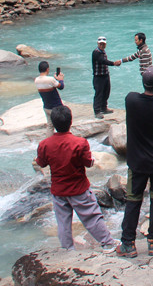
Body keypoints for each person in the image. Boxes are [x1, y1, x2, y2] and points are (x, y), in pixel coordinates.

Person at [35, 105, 117, 252]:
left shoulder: (45, 144)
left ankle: (67, 249)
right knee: (91, 217)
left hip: (58, 190)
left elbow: (41, 162)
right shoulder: (80, 143)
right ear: (71, 122)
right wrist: (92, 162)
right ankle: (107, 243)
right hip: (79, 188)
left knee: (63, 222)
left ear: (53, 124)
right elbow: (87, 163)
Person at [117, 63, 153, 258]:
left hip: (137, 162)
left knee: (133, 200)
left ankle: (128, 244)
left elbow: (146, 108)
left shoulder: (131, 100)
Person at [92, 36, 119, 119]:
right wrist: (113, 63)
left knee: (106, 92)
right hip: (98, 77)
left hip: (105, 75)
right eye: (100, 44)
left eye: (103, 44)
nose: (102, 45)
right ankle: (97, 111)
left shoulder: (103, 52)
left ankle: (104, 108)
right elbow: (102, 61)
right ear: (98, 43)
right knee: (99, 94)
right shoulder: (96, 52)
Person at [34, 61, 64, 133]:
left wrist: (56, 80)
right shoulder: (50, 79)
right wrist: (61, 79)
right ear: (47, 69)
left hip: (47, 107)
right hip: (56, 108)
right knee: (61, 126)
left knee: (50, 126)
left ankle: (48, 142)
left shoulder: (36, 80)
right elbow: (61, 87)